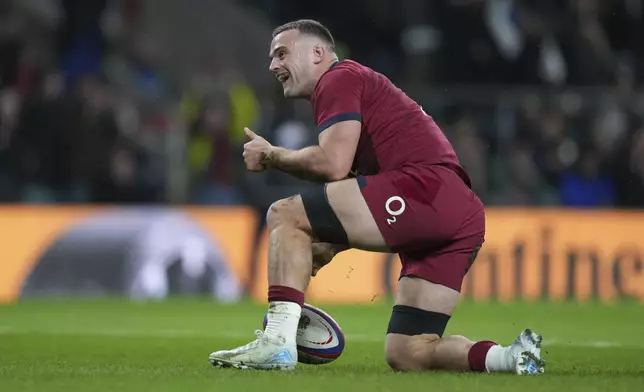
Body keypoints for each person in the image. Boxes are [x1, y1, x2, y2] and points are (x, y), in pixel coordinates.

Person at [209, 19, 545, 375]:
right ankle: (511, 358)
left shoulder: (337, 78)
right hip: (459, 213)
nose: (273, 65)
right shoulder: (354, 90)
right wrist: (331, 244)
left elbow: (332, 165)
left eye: (281, 53)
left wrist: (271, 155)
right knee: (409, 352)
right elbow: (364, 190)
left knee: (283, 213)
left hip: (424, 188)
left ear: (318, 53)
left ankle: (275, 342)